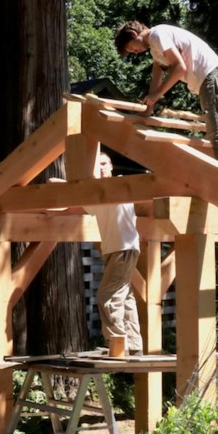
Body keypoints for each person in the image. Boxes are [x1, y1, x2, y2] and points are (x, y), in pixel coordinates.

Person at [114, 20, 218, 174]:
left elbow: (180, 68)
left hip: (213, 76)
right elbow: (156, 79)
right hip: (214, 78)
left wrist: (157, 94)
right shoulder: (156, 48)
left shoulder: (158, 35)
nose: (135, 51)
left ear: (133, 34)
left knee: (217, 131)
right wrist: (148, 109)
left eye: (131, 47)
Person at [85, 152, 143, 355]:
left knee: (107, 296)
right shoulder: (95, 196)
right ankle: (134, 345)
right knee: (124, 296)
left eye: (103, 164)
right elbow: (73, 207)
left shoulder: (119, 184)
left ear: (111, 167)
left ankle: (118, 345)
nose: (100, 168)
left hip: (123, 247)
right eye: (97, 166)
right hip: (115, 250)